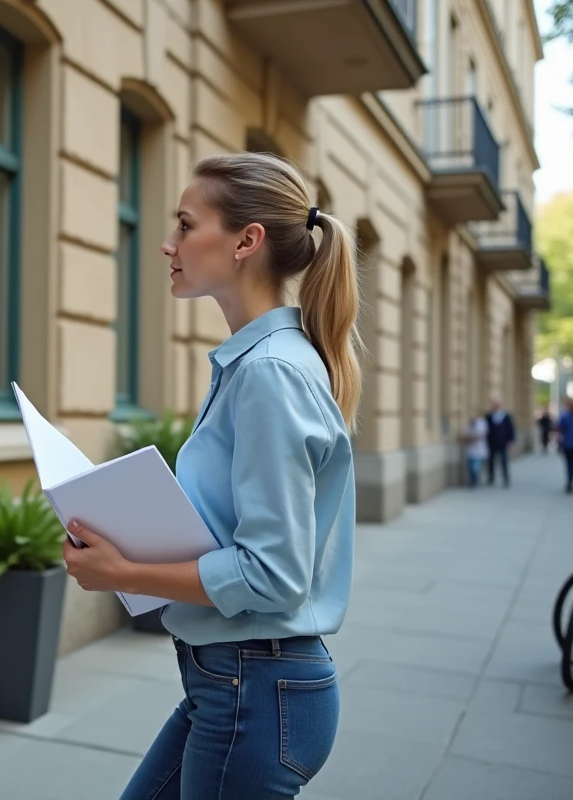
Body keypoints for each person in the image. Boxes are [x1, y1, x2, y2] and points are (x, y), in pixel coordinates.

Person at [61, 153, 359, 798]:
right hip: (234, 686)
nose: (168, 243)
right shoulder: (255, 363)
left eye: (186, 224)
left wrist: (125, 574)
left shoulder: (269, 373)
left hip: (254, 692)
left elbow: (273, 573)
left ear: (246, 241)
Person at [484, 397, 515, 486]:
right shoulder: (489, 416)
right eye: (494, 404)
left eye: (497, 404)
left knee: (504, 461)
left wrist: (511, 441)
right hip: (491, 442)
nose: (496, 406)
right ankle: (491, 478)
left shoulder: (506, 416)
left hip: (503, 442)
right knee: (491, 462)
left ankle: (506, 479)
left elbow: (510, 429)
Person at [465, 413, 489, 488]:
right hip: (471, 450)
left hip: (479, 450)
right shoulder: (470, 425)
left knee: (475, 468)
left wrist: (472, 438)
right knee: (470, 467)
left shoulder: (481, 424)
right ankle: (473, 481)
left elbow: (478, 436)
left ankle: (475, 481)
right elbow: (467, 436)